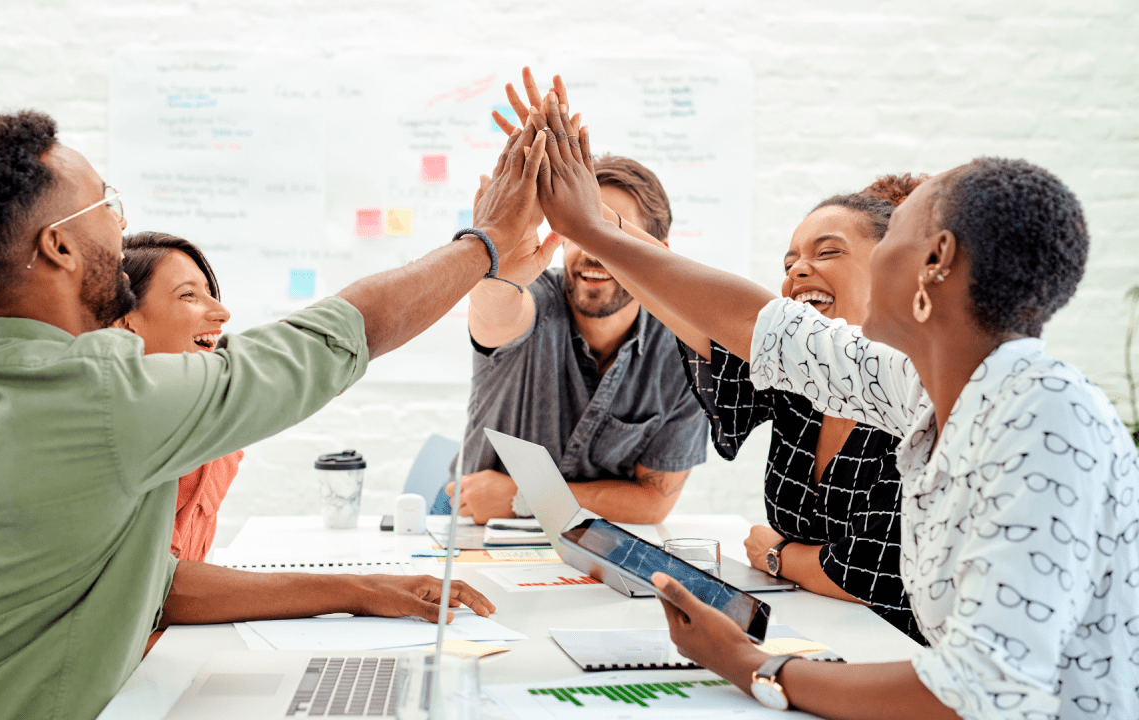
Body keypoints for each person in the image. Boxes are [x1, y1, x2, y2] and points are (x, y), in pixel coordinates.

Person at [0, 109, 548, 720]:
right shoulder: (101, 394)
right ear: (57, 246)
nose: (119, 223)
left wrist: (359, 588)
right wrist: (484, 242)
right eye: (107, 203)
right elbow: (338, 338)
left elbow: (150, 581)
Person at [528, 92, 1138, 719]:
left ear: (937, 261)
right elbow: (758, 325)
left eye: (894, 231)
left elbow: (977, 692)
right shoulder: (920, 386)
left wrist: (750, 664)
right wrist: (594, 232)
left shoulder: (1043, 419)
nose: (797, 277)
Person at [447, 72, 707, 525]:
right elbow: (494, 314)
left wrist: (526, 496)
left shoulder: (686, 353)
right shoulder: (534, 298)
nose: (590, 249)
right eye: (578, 230)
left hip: (591, 547)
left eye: (608, 232)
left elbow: (654, 503)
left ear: (657, 255)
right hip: (472, 528)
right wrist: (498, 258)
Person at [678, 175, 928, 644]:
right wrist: (598, 229)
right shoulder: (801, 389)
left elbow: (874, 576)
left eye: (828, 252)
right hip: (814, 633)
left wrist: (778, 555)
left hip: (898, 658)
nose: (798, 271)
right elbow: (698, 316)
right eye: (790, 261)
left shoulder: (919, 394)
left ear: (893, 265)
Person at [113, 231, 240, 563]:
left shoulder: (219, 437)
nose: (222, 312)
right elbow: (160, 588)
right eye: (188, 295)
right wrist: (356, 593)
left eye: (210, 294)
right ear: (124, 322)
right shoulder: (104, 433)